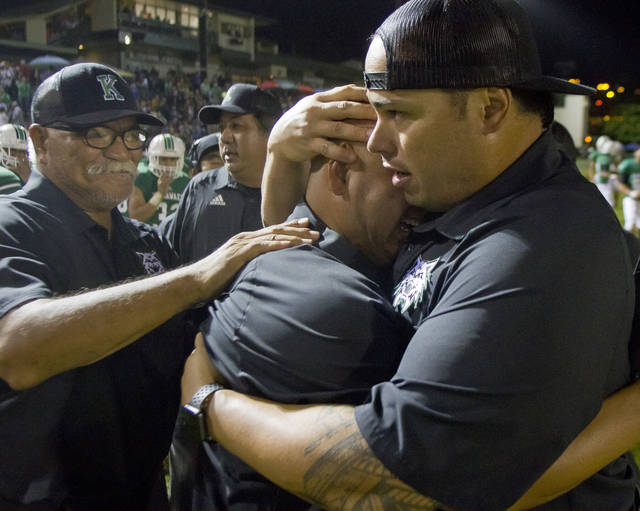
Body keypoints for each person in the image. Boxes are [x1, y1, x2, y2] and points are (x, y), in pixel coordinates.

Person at [181, 1, 639, 510]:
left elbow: (399, 483)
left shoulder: (544, 243)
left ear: (490, 108)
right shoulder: (450, 194)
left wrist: (209, 405)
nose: (378, 139)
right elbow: (321, 225)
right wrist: (281, 157)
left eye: (397, 112)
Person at [0, 62, 317, 510]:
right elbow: (18, 349)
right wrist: (197, 276)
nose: (122, 152)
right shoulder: (10, 225)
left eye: (130, 135)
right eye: (96, 134)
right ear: (39, 141)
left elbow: (202, 339)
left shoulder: (144, 241)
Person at [170, 119, 424, 511]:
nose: (418, 197)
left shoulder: (274, 253)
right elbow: (395, 479)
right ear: (339, 173)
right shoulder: (341, 307)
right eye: (399, 174)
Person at [163, 83, 282, 264]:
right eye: (221, 128)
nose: (224, 137)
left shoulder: (293, 195)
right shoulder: (199, 188)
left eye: (236, 126)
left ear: (271, 134)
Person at [128, 132, 191, 226]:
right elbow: (136, 216)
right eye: (163, 159)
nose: (168, 164)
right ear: (153, 158)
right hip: (147, 237)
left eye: (173, 159)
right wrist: (159, 194)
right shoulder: (143, 177)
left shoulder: (185, 181)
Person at [0, 123, 29, 194]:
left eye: (22, 151)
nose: (18, 155)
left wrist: (28, 178)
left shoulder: (30, 172)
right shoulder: (5, 177)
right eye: (12, 150)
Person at [617, 148, 640, 235]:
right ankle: (626, 245)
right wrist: (631, 192)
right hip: (630, 198)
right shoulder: (627, 165)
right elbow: (620, 184)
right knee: (630, 225)